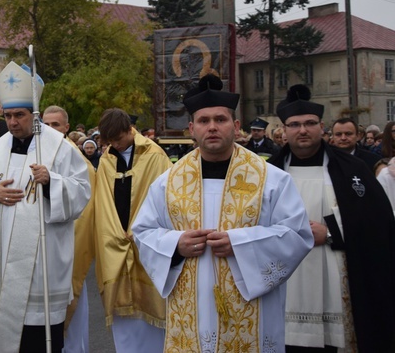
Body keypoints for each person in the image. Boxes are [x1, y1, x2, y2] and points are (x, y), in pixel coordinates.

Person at [132, 75, 313, 352]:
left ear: (236, 126)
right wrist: (176, 246)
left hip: (251, 305)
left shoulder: (271, 180)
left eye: (221, 119)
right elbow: (143, 232)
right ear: (192, 128)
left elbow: (297, 235)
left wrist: (239, 244)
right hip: (189, 309)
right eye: (204, 121)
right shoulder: (168, 182)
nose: (212, 127)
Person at [0, 62, 91, 353]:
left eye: (19, 115)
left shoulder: (60, 146)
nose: (12, 122)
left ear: (33, 114)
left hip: (41, 263)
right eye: (8, 115)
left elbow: (82, 191)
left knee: (39, 339)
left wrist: (51, 182)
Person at [270, 85, 395, 352]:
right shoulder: (267, 172)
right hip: (284, 280)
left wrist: (330, 234)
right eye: (294, 125)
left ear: (321, 127)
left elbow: (380, 225)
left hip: (338, 276)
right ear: (283, 130)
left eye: (309, 123)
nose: (302, 130)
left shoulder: (353, 169)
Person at [91, 108, 172, 352]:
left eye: (118, 139)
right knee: (123, 321)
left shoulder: (154, 155)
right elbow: (102, 200)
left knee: (152, 317)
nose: (114, 145)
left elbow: (166, 198)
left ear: (130, 130)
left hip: (145, 237)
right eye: (110, 141)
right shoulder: (107, 159)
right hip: (117, 235)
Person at [41, 105, 96, 353]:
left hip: (68, 247)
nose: (50, 129)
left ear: (66, 128)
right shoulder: (36, 156)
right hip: (40, 250)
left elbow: (87, 210)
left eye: (55, 125)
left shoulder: (80, 162)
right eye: (45, 124)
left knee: (72, 321)